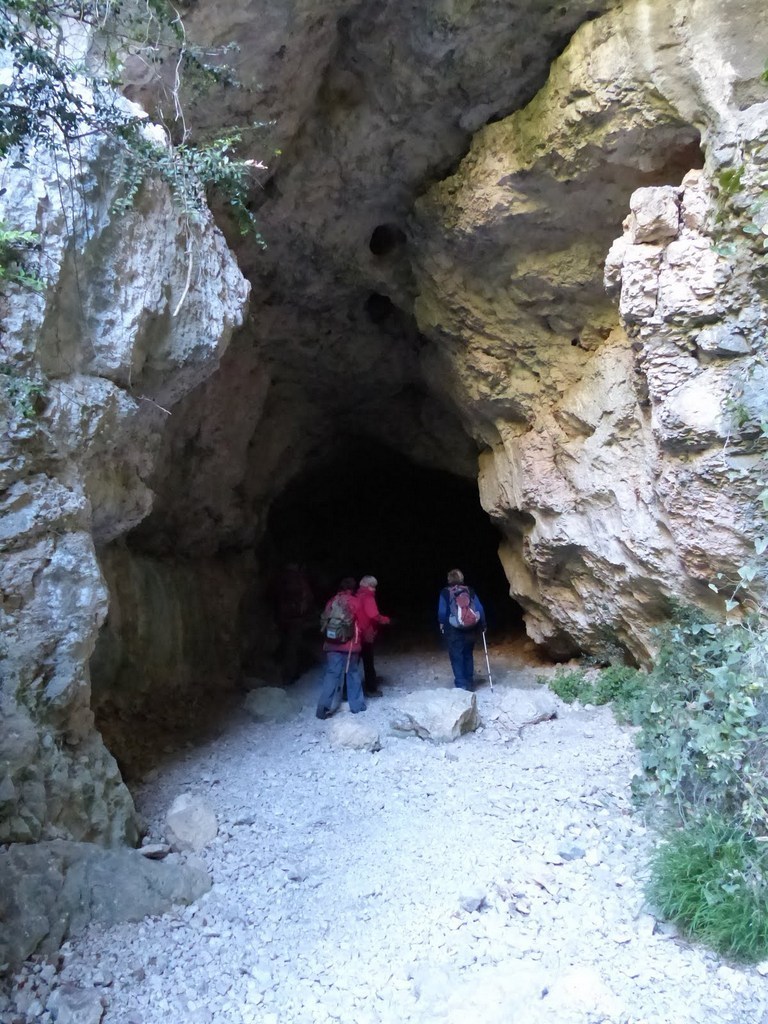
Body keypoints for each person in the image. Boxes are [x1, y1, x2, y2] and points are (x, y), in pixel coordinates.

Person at [316, 577, 366, 719]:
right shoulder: (355, 602)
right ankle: (357, 706)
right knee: (352, 673)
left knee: (332, 674)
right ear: (353, 589)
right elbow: (361, 623)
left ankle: (322, 707)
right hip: (350, 646)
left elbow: (324, 620)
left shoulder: (332, 601)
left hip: (331, 644)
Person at [437, 569, 486, 691]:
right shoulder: (469, 590)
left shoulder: (445, 592)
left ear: (449, 580)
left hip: (453, 630)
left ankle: (461, 684)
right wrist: (483, 624)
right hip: (471, 629)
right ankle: (469, 683)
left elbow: (442, 611)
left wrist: (442, 624)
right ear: (462, 579)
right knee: (468, 654)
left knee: (456, 656)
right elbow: (479, 608)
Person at [274, 562, 314, 684]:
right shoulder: (299, 580)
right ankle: (290, 675)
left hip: (282, 616)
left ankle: (284, 673)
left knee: (286, 644)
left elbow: (273, 595)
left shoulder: (280, 579)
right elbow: (308, 597)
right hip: (296, 618)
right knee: (293, 646)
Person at [356, 575, 391, 697]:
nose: (374, 589)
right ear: (368, 586)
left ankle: (348, 691)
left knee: (353, 664)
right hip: (366, 634)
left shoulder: (357, 595)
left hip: (356, 634)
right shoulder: (368, 597)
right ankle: (371, 689)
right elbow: (373, 615)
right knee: (368, 662)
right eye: (372, 586)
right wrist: (385, 620)